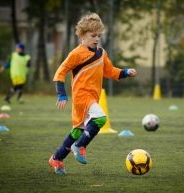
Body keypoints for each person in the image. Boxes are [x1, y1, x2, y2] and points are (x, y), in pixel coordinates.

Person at [48, 12, 137, 175]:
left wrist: (125, 72)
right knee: (101, 118)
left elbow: (110, 71)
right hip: (82, 96)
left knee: (77, 131)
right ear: (82, 35)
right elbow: (61, 71)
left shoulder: (101, 53)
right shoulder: (76, 53)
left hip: (92, 97)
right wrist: (61, 93)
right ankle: (80, 146)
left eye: (99, 35)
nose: (96, 39)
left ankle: (57, 158)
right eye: (92, 35)